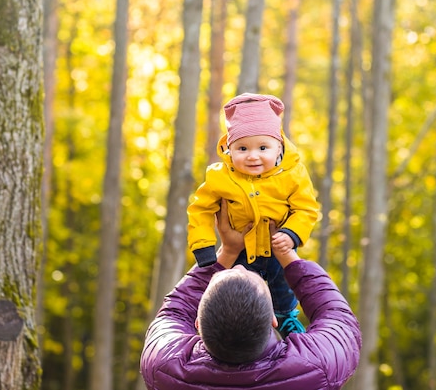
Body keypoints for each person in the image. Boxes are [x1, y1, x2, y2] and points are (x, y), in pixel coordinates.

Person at [140, 201, 362, 389]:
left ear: (198, 322)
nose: (240, 267)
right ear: (273, 320)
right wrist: (285, 254)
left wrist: (227, 252)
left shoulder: (165, 366)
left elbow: (174, 312)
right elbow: (338, 317)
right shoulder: (315, 367)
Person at [187, 93, 320, 337]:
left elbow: (307, 208)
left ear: (278, 146)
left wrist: (291, 234)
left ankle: (287, 320)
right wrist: (204, 247)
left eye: (263, 147)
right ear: (229, 148)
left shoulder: (292, 174)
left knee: (285, 289)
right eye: (242, 148)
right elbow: (200, 209)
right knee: (234, 297)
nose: (252, 155)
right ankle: (213, 328)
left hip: (278, 247)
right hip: (241, 252)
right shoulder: (220, 177)